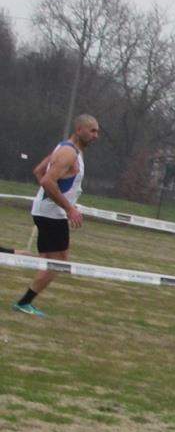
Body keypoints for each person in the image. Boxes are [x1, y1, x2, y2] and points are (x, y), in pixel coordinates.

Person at [12, 114, 100, 317]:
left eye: (97, 131)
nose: (96, 135)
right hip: (52, 215)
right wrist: (68, 208)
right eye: (92, 130)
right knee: (59, 262)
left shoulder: (66, 149)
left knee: (47, 261)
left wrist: (59, 197)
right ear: (79, 130)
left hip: (48, 211)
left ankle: (7, 254)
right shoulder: (68, 152)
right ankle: (24, 303)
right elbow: (46, 181)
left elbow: (39, 171)